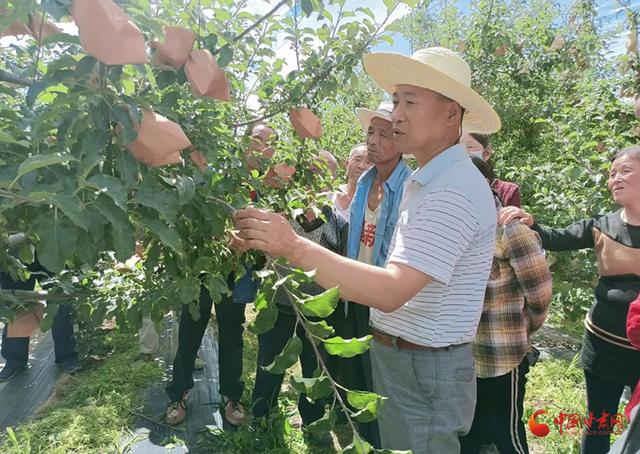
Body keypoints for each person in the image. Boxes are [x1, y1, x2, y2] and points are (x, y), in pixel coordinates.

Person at [234, 47, 501, 452]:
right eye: (396, 102)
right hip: (405, 356)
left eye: (410, 102)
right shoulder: (430, 180)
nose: (396, 116)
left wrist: (292, 246)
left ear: (451, 113)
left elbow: (392, 290)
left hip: (423, 366)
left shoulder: (452, 190)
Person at [500, 145, 640, 454]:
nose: (615, 178)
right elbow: (554, 236)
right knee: (600, 422)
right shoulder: (601, 225)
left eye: (625, 171)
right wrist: (529, 221)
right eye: (611, 173)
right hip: (603, 346)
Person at [164, 123, 277, 426]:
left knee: (232, 334)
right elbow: (201, 213)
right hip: (202, 271)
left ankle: (231, 395)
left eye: (269, 144)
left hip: (233, 274)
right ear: (246, 143)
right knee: (190, 331)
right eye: (258, 141)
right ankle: (179, 394)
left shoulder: (266, 187)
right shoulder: (224, 173)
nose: (263, 149)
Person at [329, 101, 411, 447]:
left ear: (402, 139)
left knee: (384, 384)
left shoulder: (411, 186)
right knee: (356, 372)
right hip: (356, 294)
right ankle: (363, 435)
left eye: (385, 133)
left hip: (386, 301)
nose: (374, 141)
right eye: (370, 132)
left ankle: (380, 439)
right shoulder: (364, 181)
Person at [251, 151, 348, 442]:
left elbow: (342, 268)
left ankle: (314, 421)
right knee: (269, 363)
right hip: (278, 306)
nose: (314, 181)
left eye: (322, 174)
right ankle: (262, 417)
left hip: (318, 314)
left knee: (315, 370)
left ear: (331, 180)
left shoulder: (337, 223)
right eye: (310, 172)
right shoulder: (279, 215)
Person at [460, 157, 553, 454]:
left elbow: (540, 294)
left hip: (503, 355)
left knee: (507, 433)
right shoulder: (458, 229)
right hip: (463, 356)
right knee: (469, 432)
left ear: (486, 185)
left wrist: (524, 328)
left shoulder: (510, 231)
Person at [0, 258, 80, 381]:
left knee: (60, 295)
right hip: (14, 251)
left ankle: (67, 355)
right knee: (16, 301)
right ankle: (15, 360)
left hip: (47, 243)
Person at [459, 132, 521, 207]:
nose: (462, 152)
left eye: (469, 147)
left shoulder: (507, 191)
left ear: (487, 152)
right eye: (457, 148)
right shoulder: (446, 188)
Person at [331, 143, 371, 221]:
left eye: (368, 162)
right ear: (347, 164)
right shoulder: (330, 194)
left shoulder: (372, 204)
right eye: (357, 159)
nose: (361, 166)